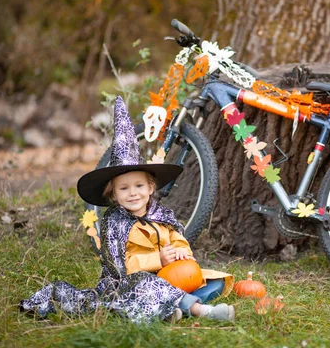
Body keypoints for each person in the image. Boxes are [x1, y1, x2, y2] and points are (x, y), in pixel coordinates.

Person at [20, 96, 234, 324]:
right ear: (113, 194)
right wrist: (157, 259)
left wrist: (181, 252)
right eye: (124, 188)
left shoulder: (162, 215)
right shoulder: (114, 223)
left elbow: (176, 237)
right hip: (130, 282)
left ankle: (167, 309)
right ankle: (203, 311)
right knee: (145, 285)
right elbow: (121, 267)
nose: (133, 193)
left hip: (169, 275)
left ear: (151, 187)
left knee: (212, 279)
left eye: (139, 186)